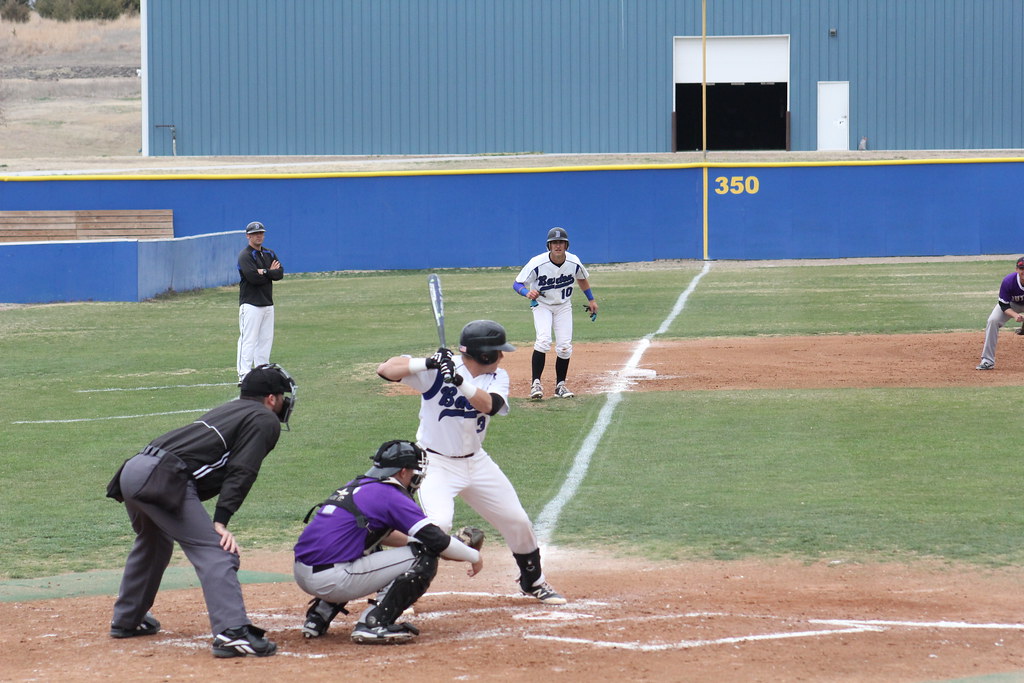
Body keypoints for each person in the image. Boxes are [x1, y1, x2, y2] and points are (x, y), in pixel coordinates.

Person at [106, 364, 297, 658]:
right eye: (282, 396)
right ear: (271, 399)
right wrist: (221, 521)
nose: (284, 401)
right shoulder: (264, 418)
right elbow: (242, 470)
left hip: (134, 469)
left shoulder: (231, 409)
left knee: (153, 542)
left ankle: (128, 619)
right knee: (218, 551)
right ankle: (232, 632)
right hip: (163, 477)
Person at [376, 320, 567, 605]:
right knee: (437, 525)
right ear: (484, 354)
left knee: (517, 520)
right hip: (435, 464)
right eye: (498, 351)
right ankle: (393, 591)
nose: (502, 356)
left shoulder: (497, 377)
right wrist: (427, 362)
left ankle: (533, 581)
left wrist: (458, 381)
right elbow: (385, 369)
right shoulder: (437, 371)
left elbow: (490, 405)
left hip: (477, 463)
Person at [293, 440, 484, 644]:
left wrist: (431, 544)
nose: (416, 476)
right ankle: (373, 624)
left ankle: (318, 617)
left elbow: (383, 535)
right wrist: (474, 556)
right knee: (422, 557)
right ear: (403, 471)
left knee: (371, 544)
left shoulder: (359, 485)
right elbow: (436, 540)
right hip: (331, 580)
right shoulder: (390, 494)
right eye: (414, 471)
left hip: (303, 572)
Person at [512, 226, 598, 399]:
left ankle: (560, 386)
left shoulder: (573, 262)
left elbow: (581, 278)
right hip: (542, 305)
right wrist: (527, 292)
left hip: (563, 306)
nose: (558, 246)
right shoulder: (537, 263)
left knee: (565, 347)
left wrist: (591, 300)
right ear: (549, 246)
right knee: (543, 341)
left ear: (566, 245)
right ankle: (536, 384)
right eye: (554, 243)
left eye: (561, 242)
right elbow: (517, 284)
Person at [237, 221, 284, 385]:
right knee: (248, 340)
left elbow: (279, 274)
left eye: (261, 233)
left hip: (267, 303)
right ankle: (244, 374)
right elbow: (253, 278)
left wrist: (264, 271)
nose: (259, 236)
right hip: (250, 304)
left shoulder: (269, 253)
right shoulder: (245, 255)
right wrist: (270, 272)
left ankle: (262, 372)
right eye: (255, 233)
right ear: (248, 236)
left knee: (265, 340)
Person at [976, 256, 1024, 370]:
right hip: (1011, 305)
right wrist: (1015, 315)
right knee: (993, 320)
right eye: (1022, 268)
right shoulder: (1008, 281)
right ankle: (987, 360)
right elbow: (1003, 305)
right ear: (1016, 269)